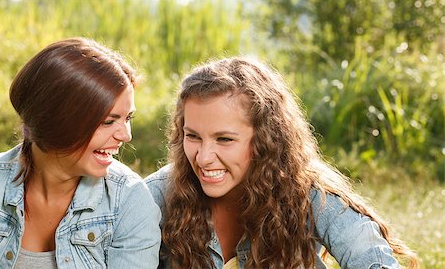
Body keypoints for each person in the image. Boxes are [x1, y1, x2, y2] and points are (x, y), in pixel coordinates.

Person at [145, 57, 418, 269]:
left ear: (266, 139)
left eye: (224, 139)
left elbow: (368, 254)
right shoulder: (156, 196)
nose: (203, 157)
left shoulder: (308, 192)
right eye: (192, 136)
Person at [0, 38, 161, 269]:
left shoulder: (129, 202)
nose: (125, 135)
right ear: (56, 121)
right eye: (108, 121)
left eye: (128, 118)